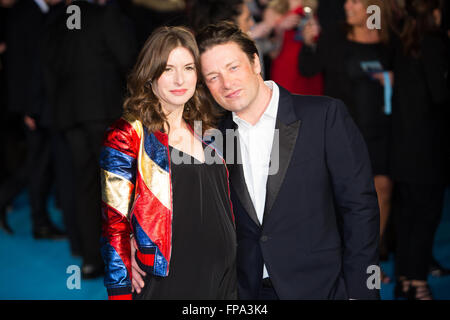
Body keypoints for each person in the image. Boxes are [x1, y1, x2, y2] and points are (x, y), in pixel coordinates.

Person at [133, 21, 380, 300]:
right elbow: (183, 210)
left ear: (255, 62)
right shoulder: (209, 140)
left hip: (322, 288)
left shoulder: (323, 117)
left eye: (233, 67)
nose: (226, 83)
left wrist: (361, 291)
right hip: (246, 293)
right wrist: (134, 241)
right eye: (212, 76)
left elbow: (360, 208)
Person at [100, 26, 237, 300]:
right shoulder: (128, 134)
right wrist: (119, 287)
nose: (179, 79)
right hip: (168, 278)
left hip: (223, 275)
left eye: (188, 67)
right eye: (167, 69)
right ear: (150, 75)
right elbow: (113, 220)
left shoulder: (208, 130)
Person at [298, 0, 395, 283]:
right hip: (343, 129)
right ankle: (342, 257)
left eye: (355, 1)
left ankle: (370, 262)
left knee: (383, 189)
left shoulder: (388, 40)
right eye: (348, 1)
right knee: (343, 195)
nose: (347, 6)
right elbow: (308, 68)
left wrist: (392, 79)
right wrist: (308, 43)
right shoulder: (334, 35)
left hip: (381, 126)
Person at [41, 0, 137, 278]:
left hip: (70, 116)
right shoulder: (105, 15)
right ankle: (124, 259)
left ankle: (91, 259)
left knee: (83, 187)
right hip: (105, 114)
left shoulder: (59, 20)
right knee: (118, 188)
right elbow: (128, 61)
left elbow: (49, 67)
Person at [391, 0, 449, 300]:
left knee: (407, 215)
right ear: (435, 14)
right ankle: (417, 282)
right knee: (425, 216)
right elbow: (440, 95)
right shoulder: (434, 44)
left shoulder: (402, 42)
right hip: (428, 148)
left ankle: (404, 279)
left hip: (401, 144)